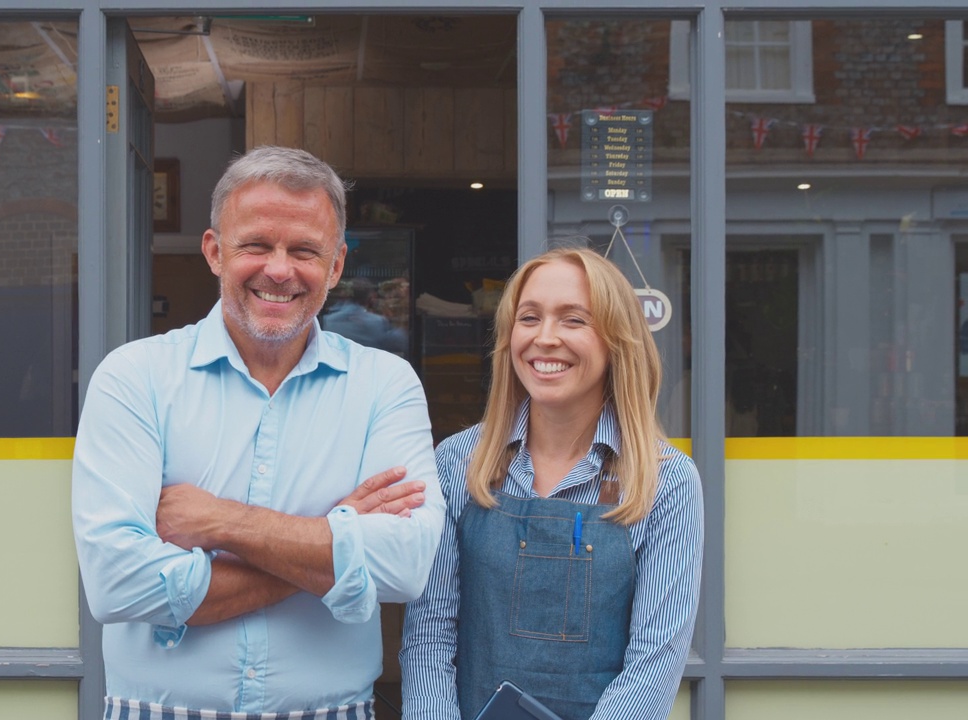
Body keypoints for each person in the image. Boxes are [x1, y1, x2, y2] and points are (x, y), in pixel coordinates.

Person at [72, 146, 445, 719]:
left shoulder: (385, 385)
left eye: (304, 250)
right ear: (214, 251)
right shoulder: (134, 378)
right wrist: (330, 541)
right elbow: (117, 583)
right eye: (255, 245)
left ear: (338, 264)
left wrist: (223, 523)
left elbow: (405, 564)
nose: (279, 269)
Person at [400, 247, 702, 720]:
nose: (545, 338)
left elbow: (654, 661)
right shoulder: (458, 462)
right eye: (529, 317)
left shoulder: (666, 481)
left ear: (616, 340)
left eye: (573, 320)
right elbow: (429, 639)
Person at [323, 277, 409, 354]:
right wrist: (402, 316)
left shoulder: (327, 320)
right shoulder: (377, 322)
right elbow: (402, 343)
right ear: (371, 297)